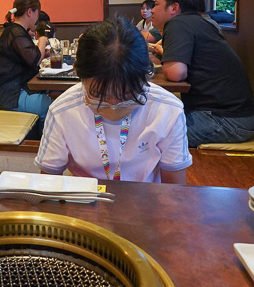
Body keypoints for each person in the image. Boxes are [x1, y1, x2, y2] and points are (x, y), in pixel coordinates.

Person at [35, 17, 190, 183]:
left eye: (126, 96)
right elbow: (48, 184)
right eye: (99, 95)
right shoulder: (62, 111)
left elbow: (174, 189)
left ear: (146, 77)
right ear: (78, 73)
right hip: (86, 201)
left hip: (147, 200)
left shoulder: (167, 110)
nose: (113, 105)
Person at [149, 0, 254, 147]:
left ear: (174, 8)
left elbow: (176, 73)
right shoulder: (201, 22)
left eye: (156, 4)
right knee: (153, 118)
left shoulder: (178, 24)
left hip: (226, 121)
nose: (152, 10)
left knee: (146, 135)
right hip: (235, 116)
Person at [0, 0, 51, 118]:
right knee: (52, 107)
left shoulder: (15, 31)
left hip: (13, 90)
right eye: (37, 13)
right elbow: (34, 60)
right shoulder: (16, 32)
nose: (37, 18)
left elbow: (27, 58)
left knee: (54, 96)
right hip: (10, 95)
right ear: (29, 12)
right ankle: (39, 136)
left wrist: (42, 55)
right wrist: (43, 40)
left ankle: (39, 133)